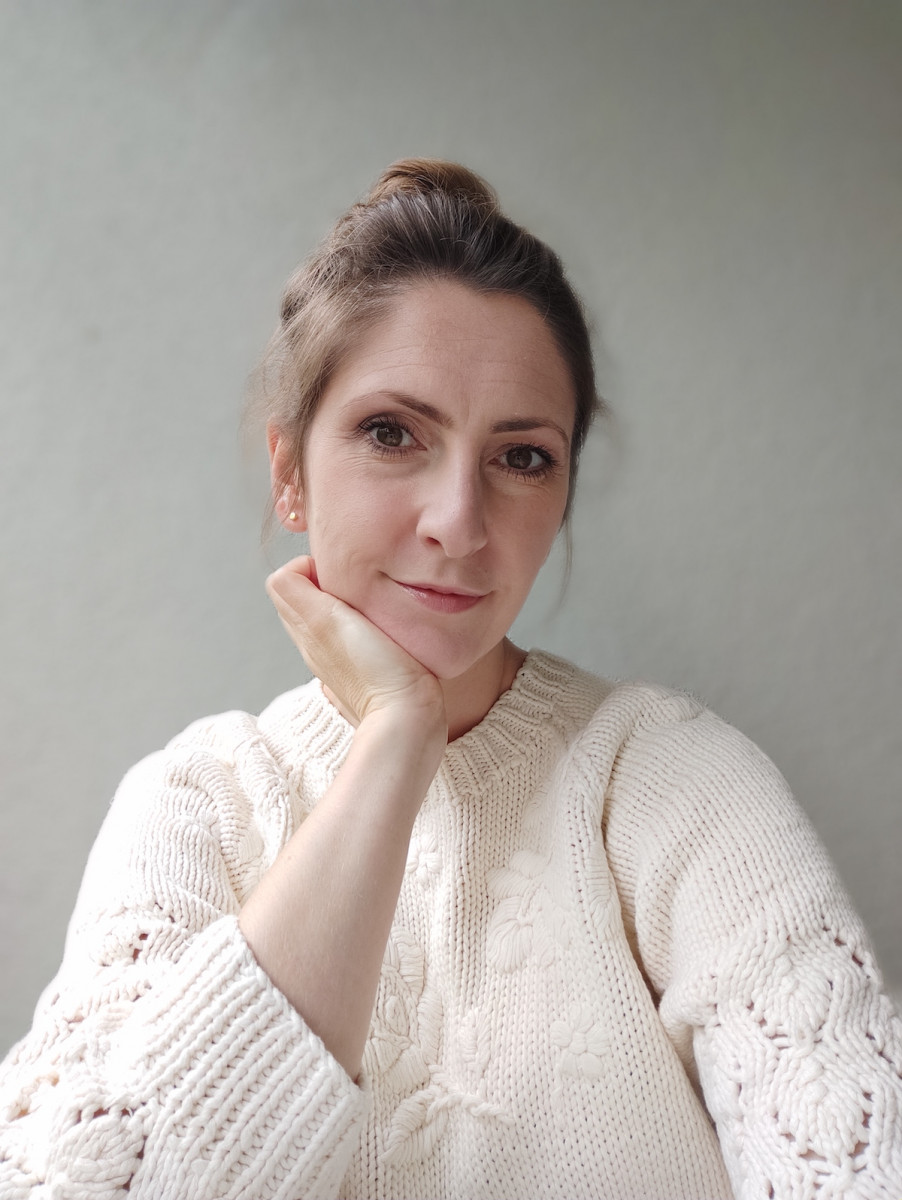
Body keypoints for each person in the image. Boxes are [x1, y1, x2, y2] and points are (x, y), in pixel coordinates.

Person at [1, 159, 900, 1200]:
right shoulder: (195, 805)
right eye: (392, 434)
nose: (458, 523)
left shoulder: (674, 782)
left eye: (521, 458)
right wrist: (395, 737)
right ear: (290, 473)